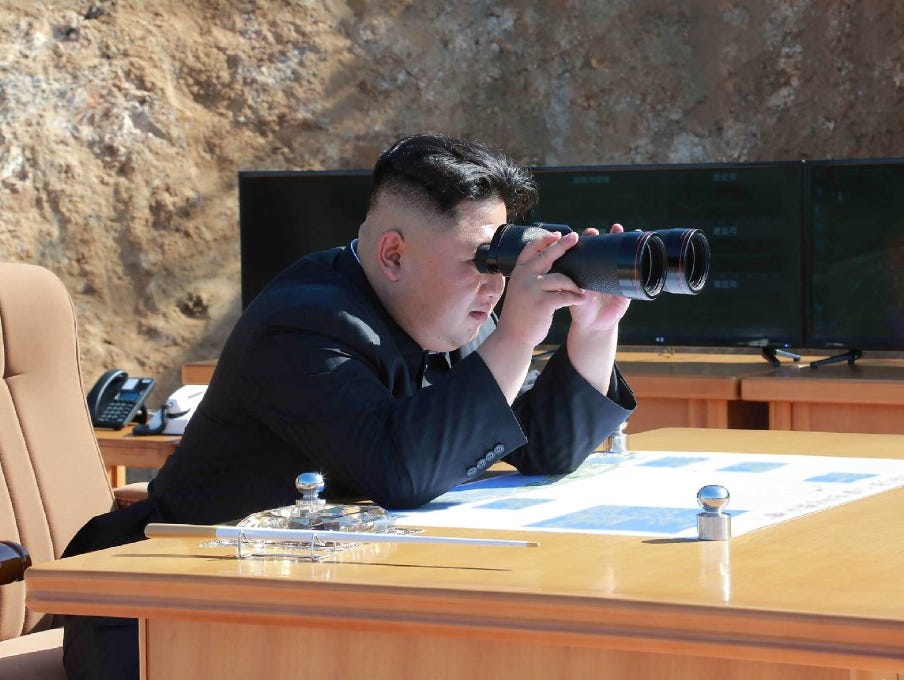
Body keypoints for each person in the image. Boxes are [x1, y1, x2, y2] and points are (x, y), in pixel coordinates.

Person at [62, 132, 636, 679]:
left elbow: (543, 446)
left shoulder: (439, 315)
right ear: (393, 253)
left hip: (312, 605)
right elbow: (401, 470)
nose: (495, 285)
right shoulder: (305, 323)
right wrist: (518, 335)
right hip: (172, 619)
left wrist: (593, 329)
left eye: (502, 262)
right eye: (479, 261)